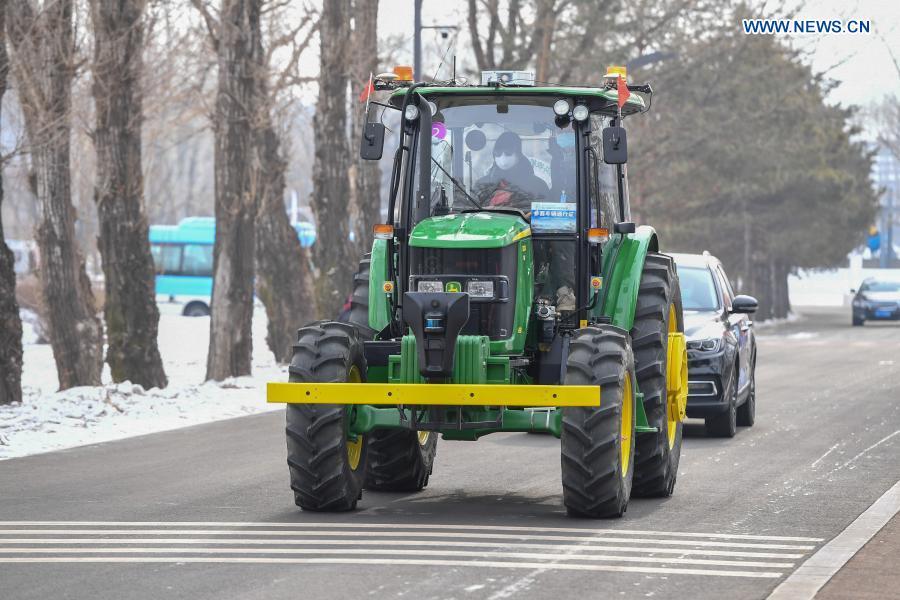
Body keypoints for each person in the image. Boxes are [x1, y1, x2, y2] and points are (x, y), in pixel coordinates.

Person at [474, 131, 550, 212]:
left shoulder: (537, 185)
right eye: (498, 154)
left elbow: (542, 216)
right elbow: (472, 211)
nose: (502, 159)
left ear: (518, 155)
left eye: (508, 153)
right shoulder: (482, 184)